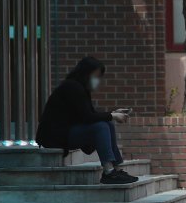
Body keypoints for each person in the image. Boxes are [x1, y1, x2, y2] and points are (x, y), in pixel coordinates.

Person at [36, 57, 137, 185]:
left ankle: (115, 169)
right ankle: (108, 171)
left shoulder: (80, 88)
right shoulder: (72, 87)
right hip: (55, 136)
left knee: (107, 124)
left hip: (67, 131)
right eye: (96, 76)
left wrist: (113, 113)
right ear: (86, 73)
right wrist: (112, 115)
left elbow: (90, 114)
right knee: (101, 126)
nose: (98, 80)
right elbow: (87, 117)